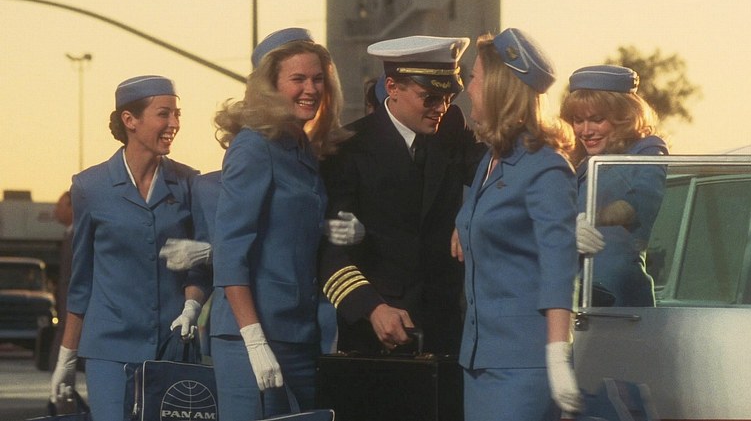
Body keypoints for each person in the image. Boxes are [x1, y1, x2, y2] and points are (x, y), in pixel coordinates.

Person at [49, 75, 210, 420]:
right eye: (164, 114)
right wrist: (67, 355)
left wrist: (192, 306)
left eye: (177, 114)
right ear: (130, 120)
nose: (174, 124)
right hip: (109, 349)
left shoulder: (188, 183)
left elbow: (199, 264)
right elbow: (81, 280)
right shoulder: (90, 186)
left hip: (173, 347)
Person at [208, 27, 345, 421]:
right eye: (298, 79)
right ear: (270, 87)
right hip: (253, 335)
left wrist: (333, 231)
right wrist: (254, 341)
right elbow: (231, 252)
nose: (311, 89)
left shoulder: (302, 149)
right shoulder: (253, 146)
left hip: (300, 335)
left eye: (317, 79)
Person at [318, 35, 485, 355]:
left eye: (448, 97)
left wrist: (471, 215)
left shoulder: (450, 129)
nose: (441, 108)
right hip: (374, 333)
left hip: (444, 329)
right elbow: (331, 256)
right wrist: (371, 308)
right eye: (430, 98)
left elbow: (492, 173)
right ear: (392, 87)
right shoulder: (347, 150)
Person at [454, 28, 583, 421]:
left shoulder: (545, 166)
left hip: (523, 364)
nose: (468, 88)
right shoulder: (491, 159)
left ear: (497, 88)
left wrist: (557, 355)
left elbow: (558, 265)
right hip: (480, 359)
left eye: (474, 78)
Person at [562, 65, 669, 307]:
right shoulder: (578, 163)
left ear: (624, 117)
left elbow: (638, 203)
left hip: (619, 302)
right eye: (578, 120)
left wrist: (590, 218)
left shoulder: (647, 149)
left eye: (597, 120)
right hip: (574, 297)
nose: (585, 131)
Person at [48, 190, 73, 371]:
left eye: (60, 206)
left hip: (71, 305)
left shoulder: (77, 235)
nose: (56, 211)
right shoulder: (69, 234)